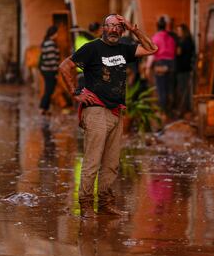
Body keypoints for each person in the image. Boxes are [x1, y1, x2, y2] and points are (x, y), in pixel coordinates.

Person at [59, 14, 158, 218]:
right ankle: (86, 204)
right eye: (110, 25)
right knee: (93, 161)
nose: (114, 29)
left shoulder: (124, 49)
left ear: (121, 31)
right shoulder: (92, 48)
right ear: (103, 28)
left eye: (118, 27)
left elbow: (151, 49)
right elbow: (64, 66)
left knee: (112, 163)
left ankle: (105, 203)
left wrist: (134, 29)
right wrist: (76, 92)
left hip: (116, 111)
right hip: (95, 110)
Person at [146, 16, 176, 115]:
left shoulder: (155, 38)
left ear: (157, 27)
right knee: (170, 88)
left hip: (161, 65)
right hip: (172, 64)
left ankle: (163, 113)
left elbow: (152, 55)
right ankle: (170, 111)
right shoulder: (171, 38)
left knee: (161, 89)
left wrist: (148, 67)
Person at [38, 25, 60, 115]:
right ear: (53, 33)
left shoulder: (47, 42)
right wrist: (55, 72)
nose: (58, 35)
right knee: (49, 90)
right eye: (57, 33)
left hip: (46, 70)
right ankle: (42, 107)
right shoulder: (50, 43)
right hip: (49, 70)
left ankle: (45, 108)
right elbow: (52, 60)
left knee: (49, 89)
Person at [175, 23, 195, 117]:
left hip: (183, 69)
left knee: (183, 90)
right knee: (184, 89)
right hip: (185, 68)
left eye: (179, 31)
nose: (178, 32)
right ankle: (185, 109)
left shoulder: (184, 42)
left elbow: (178, 52)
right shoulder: (189, 41)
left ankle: (185, 110)